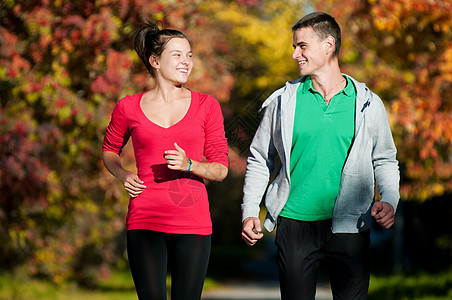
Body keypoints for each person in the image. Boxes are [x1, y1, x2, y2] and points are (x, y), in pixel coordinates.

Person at [241, 12, 399, 300]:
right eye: (294, 46)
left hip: (351, 222)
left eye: (302, 46)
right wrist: (250, 209)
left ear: (328, 45)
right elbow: (260, 158)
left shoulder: (367, 103)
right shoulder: (282, 102)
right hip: (294, 222)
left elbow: (385, 159)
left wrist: (389, 198)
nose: (294, 54)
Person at [102, 20, 229, 300]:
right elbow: (109, 151)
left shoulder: (207, 105)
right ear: (155, 61)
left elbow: (220, 169)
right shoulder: (128, 106)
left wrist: (190, 165)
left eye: (190, 55)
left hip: (192, 222)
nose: (187, 61)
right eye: (178, 55)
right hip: (144, 219)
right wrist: (123, 175)